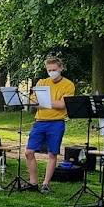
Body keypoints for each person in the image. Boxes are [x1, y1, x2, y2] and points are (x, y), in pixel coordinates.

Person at [25, 56, 75, 192]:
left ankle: (46, 183)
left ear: (61, 68)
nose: (52, 72)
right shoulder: (42, 82)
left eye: (54, 69)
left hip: (56, 123)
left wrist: (45, 101)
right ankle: (33, 182)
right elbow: (34, 102)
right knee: (29, 152)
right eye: (49, 70)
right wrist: (49, 103)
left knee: (52, 153)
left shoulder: (68, 85)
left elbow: (63, 104)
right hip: (40, 121)